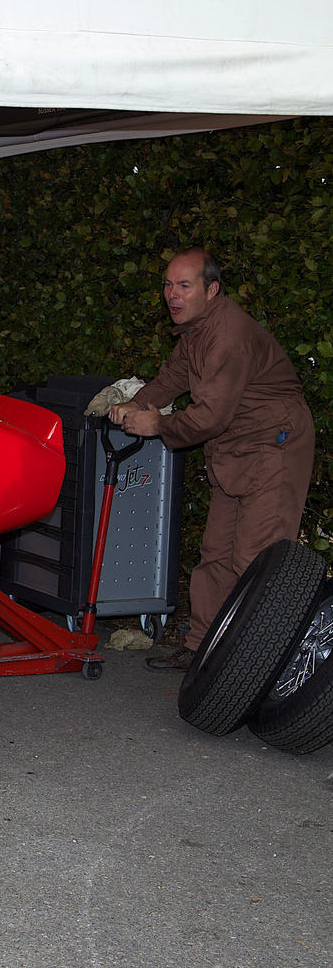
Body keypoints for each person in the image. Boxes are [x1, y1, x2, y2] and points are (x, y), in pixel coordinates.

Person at [110, 249, 315, 671]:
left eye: (184, 285)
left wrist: (156, 426)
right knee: (216, 555)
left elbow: (210, 416)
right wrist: (134, 404)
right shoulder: (195, 331)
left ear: (212, 289)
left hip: (273, 445)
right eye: (168, 285)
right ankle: (202, 649)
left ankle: (250, 671)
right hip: (232, 448)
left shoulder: (227, 336)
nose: (172, 295)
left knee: (256, 561)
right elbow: (173, 378)